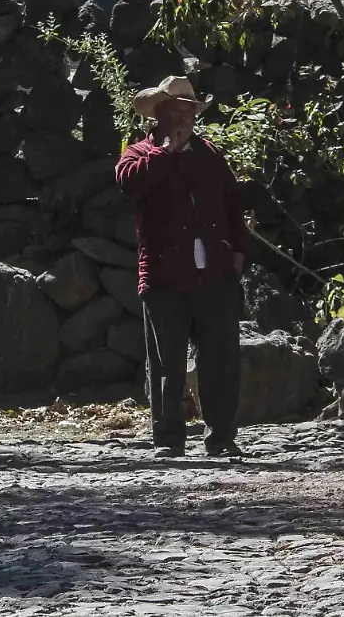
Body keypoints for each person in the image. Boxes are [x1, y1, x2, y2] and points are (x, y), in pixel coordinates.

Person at [114, 76, 248, 458]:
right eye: (177, 108)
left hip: (215, 274)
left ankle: (221, 438)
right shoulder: (139, 153)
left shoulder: (208, 154)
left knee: (220, 359)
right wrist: (167, 152)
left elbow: (233, 205)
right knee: (166, 363)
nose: (185, 115)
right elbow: (131, 185)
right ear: (159, 114)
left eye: (189, 109)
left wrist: (237, 254)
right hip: (163, 275)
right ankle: (169, 441)